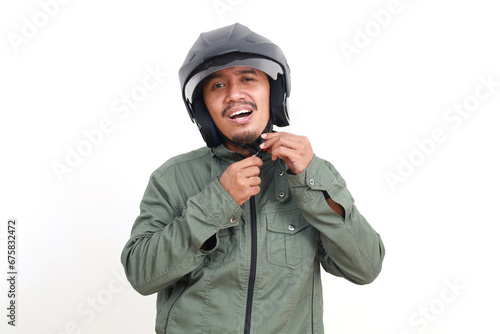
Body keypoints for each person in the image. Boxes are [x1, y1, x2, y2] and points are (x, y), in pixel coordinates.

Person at [121, 23, 385, 334]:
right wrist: (218, 201)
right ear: (203, 107)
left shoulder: (311, 173)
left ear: (273, 92)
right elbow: (142, 275)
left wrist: (311, 177)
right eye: (217, 86)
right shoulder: (172, 178)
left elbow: (365, 267)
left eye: (248, 78)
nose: (234, 94)